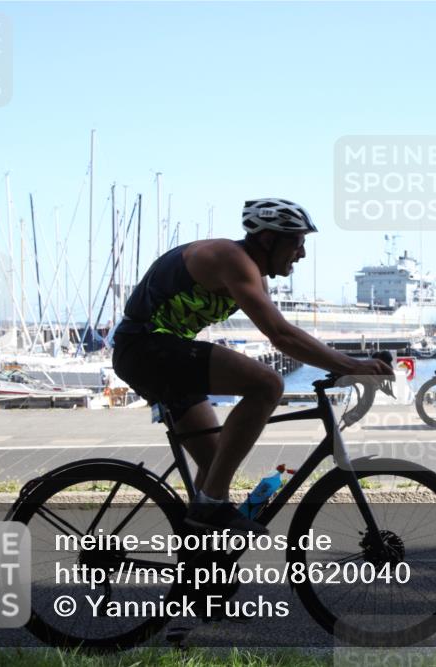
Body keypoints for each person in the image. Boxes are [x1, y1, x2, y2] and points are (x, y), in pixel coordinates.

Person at [112, 198, 392, 534]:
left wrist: (340, 364)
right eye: (297, 242)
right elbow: (280, 336)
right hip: (146, 347)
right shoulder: (232, 259)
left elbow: (285, 329)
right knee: (267, 385)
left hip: (158, 353)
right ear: (268, 239)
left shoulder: (253, 273)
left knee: (215, 464)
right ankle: (212, 506)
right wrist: (351, 364)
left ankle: (198, 564)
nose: (301, 253)